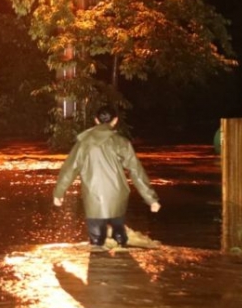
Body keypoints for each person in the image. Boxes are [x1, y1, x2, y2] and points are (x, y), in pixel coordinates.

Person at [53, 105, 161, 248]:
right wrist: (151, 199)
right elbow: (136, 171)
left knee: (97, 243)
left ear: (96, 120)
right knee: (119, 236)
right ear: (115, 121)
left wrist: (59, 193)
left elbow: (70, 169)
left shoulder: (83, 143)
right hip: (118, 196)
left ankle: (100, 263)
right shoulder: (121, 142)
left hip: (93, 197)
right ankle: (123, 261)